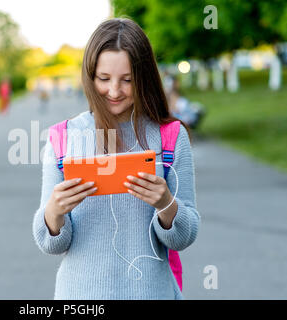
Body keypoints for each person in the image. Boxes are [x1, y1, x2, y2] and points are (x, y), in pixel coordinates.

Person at [32, 18, 200, 300]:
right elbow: (51, 244)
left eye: (128, 80)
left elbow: (183, 237)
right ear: (90, 76)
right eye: (104, 79)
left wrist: (166, 204)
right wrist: (54, 212)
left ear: (144, 77)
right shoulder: (62, 138)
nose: (114, 91)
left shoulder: (170, 137)